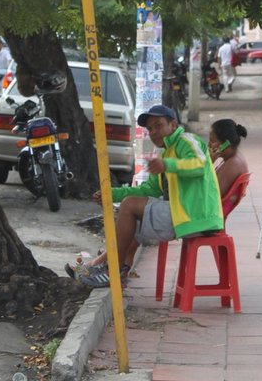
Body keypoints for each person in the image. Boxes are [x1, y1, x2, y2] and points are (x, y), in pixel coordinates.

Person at [75, 105, 224, 288]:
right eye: (150, 129)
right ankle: (114, 268)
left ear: (173, 124)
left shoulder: (186, 140)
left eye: (158, 125)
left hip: (196, 217)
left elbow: (199, 166)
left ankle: (113, 270)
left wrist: (167, 165)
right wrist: (112, 194)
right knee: (131, 215)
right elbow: (149, 190)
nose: (154, 132)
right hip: (183, 215)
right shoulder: (165, 153)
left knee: (129, 206)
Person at [207, 119, 249, 214]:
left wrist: (208, 163)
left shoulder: (233, 164)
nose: (208, 145)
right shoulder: (232, 158)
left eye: (212, 141)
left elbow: (212, 195)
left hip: (212, 216)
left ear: (225, 143)